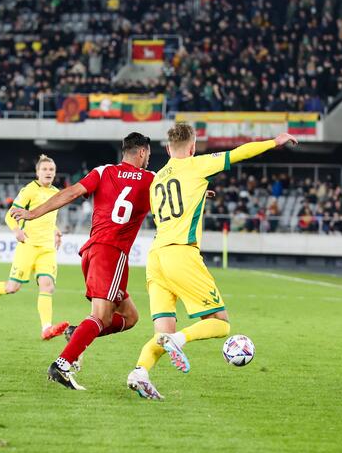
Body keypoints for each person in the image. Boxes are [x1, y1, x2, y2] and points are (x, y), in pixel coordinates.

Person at [126, 124, 298, 400]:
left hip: (155, 257)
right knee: (221, 323)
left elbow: (172, 202)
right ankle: (179, 340)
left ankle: (139, 372)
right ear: (192, 147)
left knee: (162, 332)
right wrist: (273, 142)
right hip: (181, 254)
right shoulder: (198, 165)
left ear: (168, 148)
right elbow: (238, 153)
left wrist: (199, 195)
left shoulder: (157, 178)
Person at [10, 133, 153, 390]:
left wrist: (33, 213)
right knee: (101, 317)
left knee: (129, 317)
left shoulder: (102, 171)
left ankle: (77, 334)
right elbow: (177, 194)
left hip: (91, 252)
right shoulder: (151, 180)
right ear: (142, 152)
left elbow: (71, 193)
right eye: (148, 155)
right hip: (112, 253)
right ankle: (62, 365)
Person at [0, 154, 67, 340]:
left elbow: (46, 218)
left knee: (47, 286)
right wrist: (16, 230)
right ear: (37, 172)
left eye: (51, 170)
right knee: (12, 287)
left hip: (47, 248)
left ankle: (46, 328)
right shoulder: (29, 191)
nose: (48, 172)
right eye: (45, 169)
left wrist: (56, 230)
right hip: (28, 246)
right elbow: (10, 215)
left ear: (55, 173)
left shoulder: (56, 193)